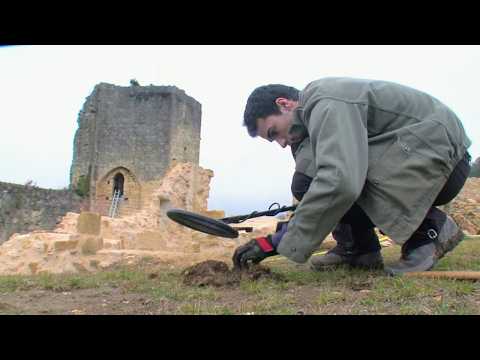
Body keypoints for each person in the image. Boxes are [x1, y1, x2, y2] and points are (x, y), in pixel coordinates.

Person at [232, 78, 472, 275]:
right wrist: (282, 235)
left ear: (284, 104)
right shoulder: (308, 130)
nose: (281, 143)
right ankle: (359, 249)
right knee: (308, 179)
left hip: (439, 157)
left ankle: (428, 230)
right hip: (418, 159)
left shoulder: (324, 101)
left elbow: (339, 180)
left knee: (331, 175)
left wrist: (277, 242)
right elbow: (318, 183)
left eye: (274, 132)